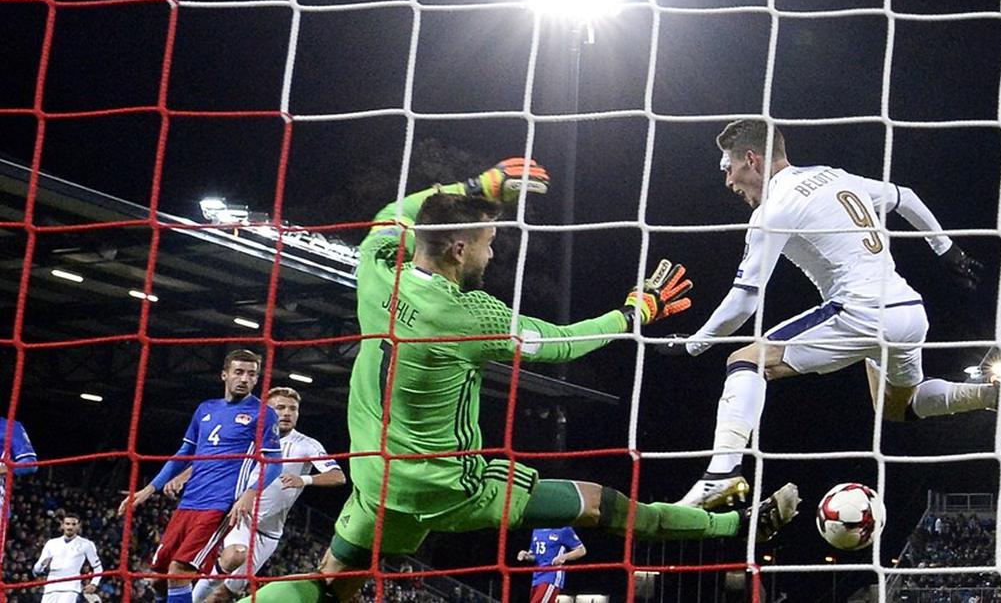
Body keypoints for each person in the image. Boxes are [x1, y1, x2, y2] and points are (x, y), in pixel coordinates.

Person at [238, 158, 799, 603]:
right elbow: (562, 341)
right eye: (486, 240)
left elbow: (393, 213)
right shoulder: (467, 316)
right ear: (459, 250)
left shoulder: (376, 268)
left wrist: (478, 185)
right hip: (450, 488)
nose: (493, 247)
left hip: (376, 481)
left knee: (331, 587)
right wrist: (634, 313)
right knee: (606, 506)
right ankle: (737, 529)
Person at [656, 119, 1001, 507]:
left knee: (747, 361)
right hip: (907, 311)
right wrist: (947, 250)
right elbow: (904, 196)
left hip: (860, 313)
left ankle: (721, 473)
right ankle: (993, 395)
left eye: (728, 168)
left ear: (751, 159)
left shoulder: (774, 210)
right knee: (898, 406)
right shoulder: (832, 176)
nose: (728, 181)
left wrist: (692, 346)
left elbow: (744, 303)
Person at [117, 349, 283, 603]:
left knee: (179, 572)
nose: (245, 379)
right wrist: (147, 490)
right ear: (224, 375)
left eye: (252, 374)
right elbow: (184, 453)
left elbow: (274, 463)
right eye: (239, 372)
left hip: (220, 505)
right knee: (159, 578)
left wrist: (249, 494)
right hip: (189, 502)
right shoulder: (205, 409)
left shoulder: (262, 414)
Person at [190, 387, 347, 602]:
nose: (287, 413)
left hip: (269, 534)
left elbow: (338, 476)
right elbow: (215, 458)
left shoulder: (306, 445)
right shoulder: (248, 438)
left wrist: (305, 479)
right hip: (240, 517)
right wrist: (185, 474)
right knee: (235, 554)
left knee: (223, 595)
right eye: (280, 407)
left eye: (293, 409)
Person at [32, 513, 104, 603]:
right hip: (51, 588)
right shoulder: (51, 543)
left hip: (71, 588)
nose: (70, 527)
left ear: (78, 526)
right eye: (67, 524)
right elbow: (36, 570)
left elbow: (98, 567)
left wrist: (94, 583)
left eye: (73, 524)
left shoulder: (86, 544)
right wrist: (42, 564)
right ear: (62, 525)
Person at [517, 527, 586, 603]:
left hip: (551, 576)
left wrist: (564, 557)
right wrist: (526, 556)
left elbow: (581, 550)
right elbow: (535, 555)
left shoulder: (563, 529)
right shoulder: (536, 530)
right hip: (536, 577)